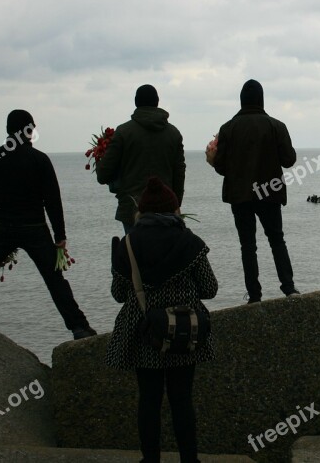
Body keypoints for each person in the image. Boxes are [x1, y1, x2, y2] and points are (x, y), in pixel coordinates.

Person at [0, 110, 96, 340]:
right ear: (29, 130)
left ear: (8, 130)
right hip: (34, 227)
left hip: (1, 226)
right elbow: (53, 201)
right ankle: (79, 327)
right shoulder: (40, 160)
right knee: (54, 279)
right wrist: (60, 236)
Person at [105, 176, 218, 463]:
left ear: (141, 211)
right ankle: (190, 459)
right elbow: (209, 289)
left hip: (144, 333)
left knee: (149, 400)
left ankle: (150, 459)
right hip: (184, 331)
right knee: (182, 399)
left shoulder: (128, 244)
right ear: (174, 209)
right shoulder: (190, 242)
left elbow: (119, 294)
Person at [211, 79, 299, 303]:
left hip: (240, 196)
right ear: (261, 100)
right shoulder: (276, 126)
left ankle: (254, 295)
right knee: (277, 240)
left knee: (247, 246)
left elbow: (220, 166)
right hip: (269, 192)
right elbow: (289, 160)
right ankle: (289, 288)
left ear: (241, 101)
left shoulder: (227, 128)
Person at [97, 84, 186, 234]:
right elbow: (179, 173)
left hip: (133, 209)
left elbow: (103, 175)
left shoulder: (124, 132)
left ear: (136, 103)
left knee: (135, 254)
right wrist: (175, 204)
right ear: (157, 102)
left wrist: (99, 158)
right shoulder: (173, 134)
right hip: (166, 211)